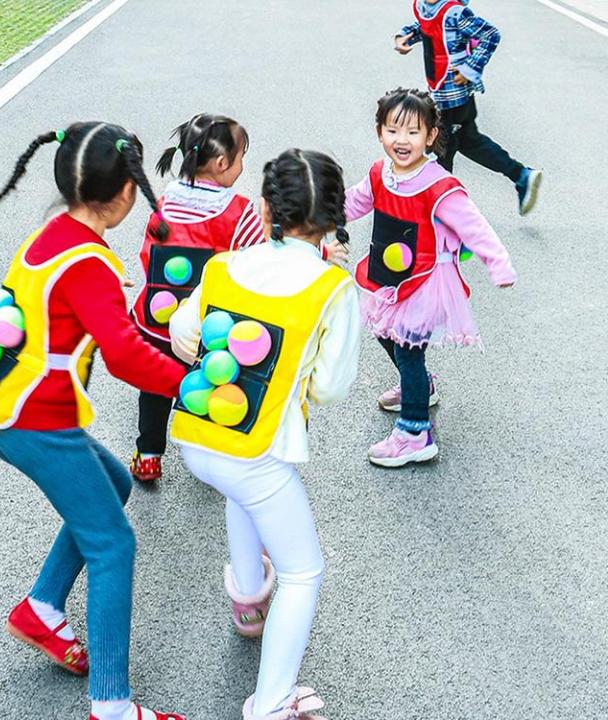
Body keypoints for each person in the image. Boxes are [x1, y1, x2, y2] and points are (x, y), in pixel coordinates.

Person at [0, 122, 186, 720]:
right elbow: (127, 354)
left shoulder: (53, 235)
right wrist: (194, 384)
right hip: (36, 420)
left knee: (116, 484)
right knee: (113, 545)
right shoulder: (91, 264)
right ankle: (112, 704)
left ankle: (42, 611)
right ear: (127, 193)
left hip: (13, 403)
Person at [169, 149, 360, 719]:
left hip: (199, 435)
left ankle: (249, 599)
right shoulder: (332, 288)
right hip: (259, 449)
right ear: (333, 216)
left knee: (242, 495)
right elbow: (329, 387)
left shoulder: (225, 266)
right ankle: (273, 702)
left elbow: (184, 331)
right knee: (304, 571)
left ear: (264, 206)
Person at [129, 113, 348, 483]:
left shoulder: (164, 202)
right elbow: (269, 252)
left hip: (155, 319)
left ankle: (149, 453)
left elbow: (147, 255)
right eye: (241, 157)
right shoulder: (239, 212)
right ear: (220, 164)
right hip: (209, 327)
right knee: (214, 380)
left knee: (153, 388)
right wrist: (323, 255)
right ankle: (212, 445)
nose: (242, 166)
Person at [346, 88, 516, 467]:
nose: (401, 141)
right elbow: (354, 201)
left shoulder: (438, 185)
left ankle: (414, 432)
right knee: (384, 333)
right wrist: (319, 215)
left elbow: (475, 228)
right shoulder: (380, 172)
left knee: (408, 351)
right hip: (387, 275)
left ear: (431, 136)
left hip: (424, 281)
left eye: (412, 132)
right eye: (393, 130)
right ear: (380, 132)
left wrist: (499, 264)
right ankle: (421, 386)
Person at [395, 0, 542, 215]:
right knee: (468, 142)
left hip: (454, 98)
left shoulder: (455, 12)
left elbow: (490, 35)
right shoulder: (424, 6)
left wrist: (469, 68)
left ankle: (439, 210)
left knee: (440, 148)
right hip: (442, 95)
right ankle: (521, 176)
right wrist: (404, 36)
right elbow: (424, 26)